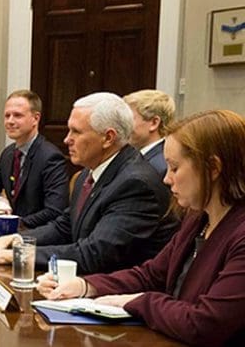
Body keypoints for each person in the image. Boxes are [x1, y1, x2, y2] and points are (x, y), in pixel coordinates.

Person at [37, 110, 245, 346]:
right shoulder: (198, 219)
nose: (167, 179)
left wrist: (138, 301)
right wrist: (86, 286)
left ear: (213, 168)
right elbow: (151, 274)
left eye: (175, 168)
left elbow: (205, 324)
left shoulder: (239, 234)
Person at [0, 92, 177, 273]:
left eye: (76, 132)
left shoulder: (136, 184)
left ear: (108, 138)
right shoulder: (87, 173)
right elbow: (65, 226)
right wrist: (13, 240)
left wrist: (14, 255)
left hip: (116, 297)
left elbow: (95, 253)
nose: (66, 139)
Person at [0, 90, 68, 228]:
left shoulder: (50, 157)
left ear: (35, 119)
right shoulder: (8, 153)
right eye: (7, 116)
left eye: (17, 115)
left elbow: (54, 211)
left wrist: (16, 223)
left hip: (37, 237)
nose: (10, 121)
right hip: (12, 232)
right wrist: (0, 200)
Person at [124, 89, 175, 178]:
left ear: (154, 123)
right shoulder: (146, 158)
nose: (124, 125)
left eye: (129, 119)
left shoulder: (158, 167)